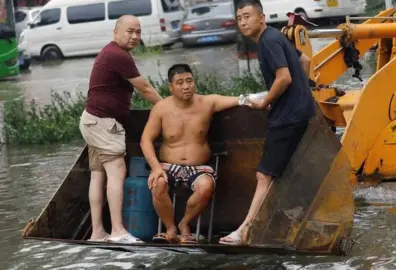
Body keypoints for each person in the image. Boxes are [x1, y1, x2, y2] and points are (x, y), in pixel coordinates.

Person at [219, 0, 316, 245]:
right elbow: (304, 61)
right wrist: (302, 95)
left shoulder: (268, 41)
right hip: (299, 112)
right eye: (239, 17)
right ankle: (288, 224)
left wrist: (266, 102)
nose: (243, 21)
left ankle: (245, 230)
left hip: (287, 118)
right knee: (281, 174)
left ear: (261, 18)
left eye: (248, 16)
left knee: (264, 176)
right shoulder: (274, 37)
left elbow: (283, 78)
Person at [140, 64, 251, 244]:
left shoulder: (208, 102)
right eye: (180, 82)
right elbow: (145, 140)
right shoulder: (161, 108)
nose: (186, 86)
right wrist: (155, 168)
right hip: (169, 165)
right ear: (170, 86)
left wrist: (265, 98)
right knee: (158, 183)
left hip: (199, 167)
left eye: (189, 81)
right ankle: (170, 228)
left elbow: (241, 99)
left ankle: (185, 224)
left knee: (206, 186)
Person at [79, 14, 163, 243]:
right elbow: (145, 88)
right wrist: (168, 107)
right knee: (117, 173)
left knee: (98, 175)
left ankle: (98, 232)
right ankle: (117, 231)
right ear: (116, 33)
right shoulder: (118, 55)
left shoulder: (112, 52)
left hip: (92, 121)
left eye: (138, 32)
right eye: (130, 31)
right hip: (104, 124)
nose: (135, 36)